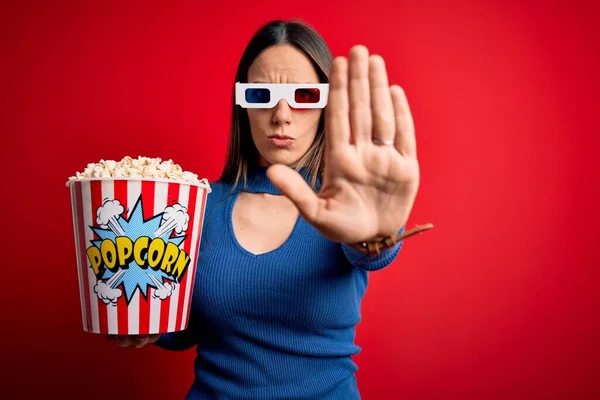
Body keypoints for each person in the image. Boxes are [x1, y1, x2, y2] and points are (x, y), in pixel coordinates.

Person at [109, 18, 431, 399]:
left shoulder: (344, 207)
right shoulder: (196, 205)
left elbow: (369, 252)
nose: (281, 114)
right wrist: (147, 323)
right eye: (261, 94)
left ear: (327, 105)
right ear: (242, 105)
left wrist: (374, 236)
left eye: (305, 95)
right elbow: (190, 329)